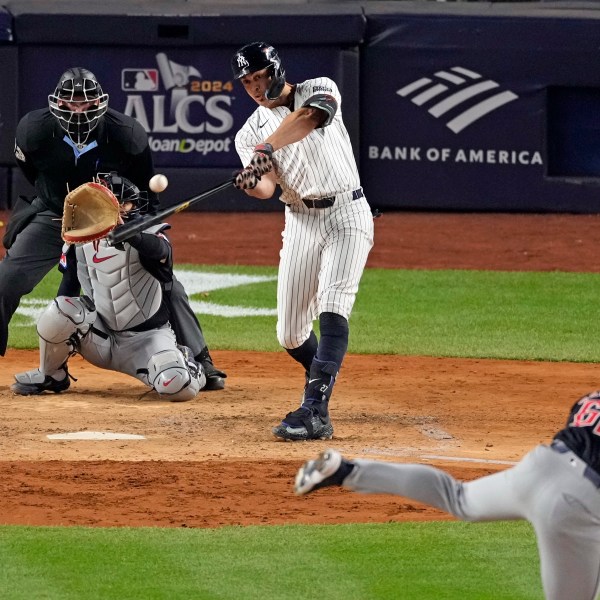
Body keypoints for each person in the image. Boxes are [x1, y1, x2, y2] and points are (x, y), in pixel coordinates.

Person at [1, 66, 226, 390]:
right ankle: (50, 371)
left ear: (100, 104)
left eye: (86, 104)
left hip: (115, 216)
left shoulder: (126, 134)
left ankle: (202, 360)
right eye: (71, 104)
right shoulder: (33, 130)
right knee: (7, 278)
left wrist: (136, 230)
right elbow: (31, 172)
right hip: (56, 214)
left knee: (168, 284)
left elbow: (148, 195)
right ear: (57, 104)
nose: (78, 111)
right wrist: (64, 205)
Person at [295, 390, 600, 600]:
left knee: (459, 498)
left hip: (541, 464)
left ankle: (345, 471)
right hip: (574, 501)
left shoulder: (591, 398)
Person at [230, 42, 374, 441]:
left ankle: (315, 410)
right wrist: (252, 182)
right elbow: (267, 187)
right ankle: (321, 383)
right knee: (290, 333)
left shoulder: (317, 88)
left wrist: (268, 148)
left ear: (275, 69)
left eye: (259, 76)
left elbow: (309, 119)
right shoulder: (248, 134)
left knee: (332, 306)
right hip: (300, 221)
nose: (256, 87)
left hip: (347, 212)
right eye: (247, 82)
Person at [12, 172, 206, 401]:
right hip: (101, 338)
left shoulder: (150, 236)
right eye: (113, 202)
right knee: (60, 310)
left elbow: (162, 254)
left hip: (148, 342)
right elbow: (68, 289)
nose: (120, 208)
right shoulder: (80, 242)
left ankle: (189, 365)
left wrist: (132, 236)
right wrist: (62, 330)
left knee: (176, 386)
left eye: (125, 202)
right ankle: (51, 374)